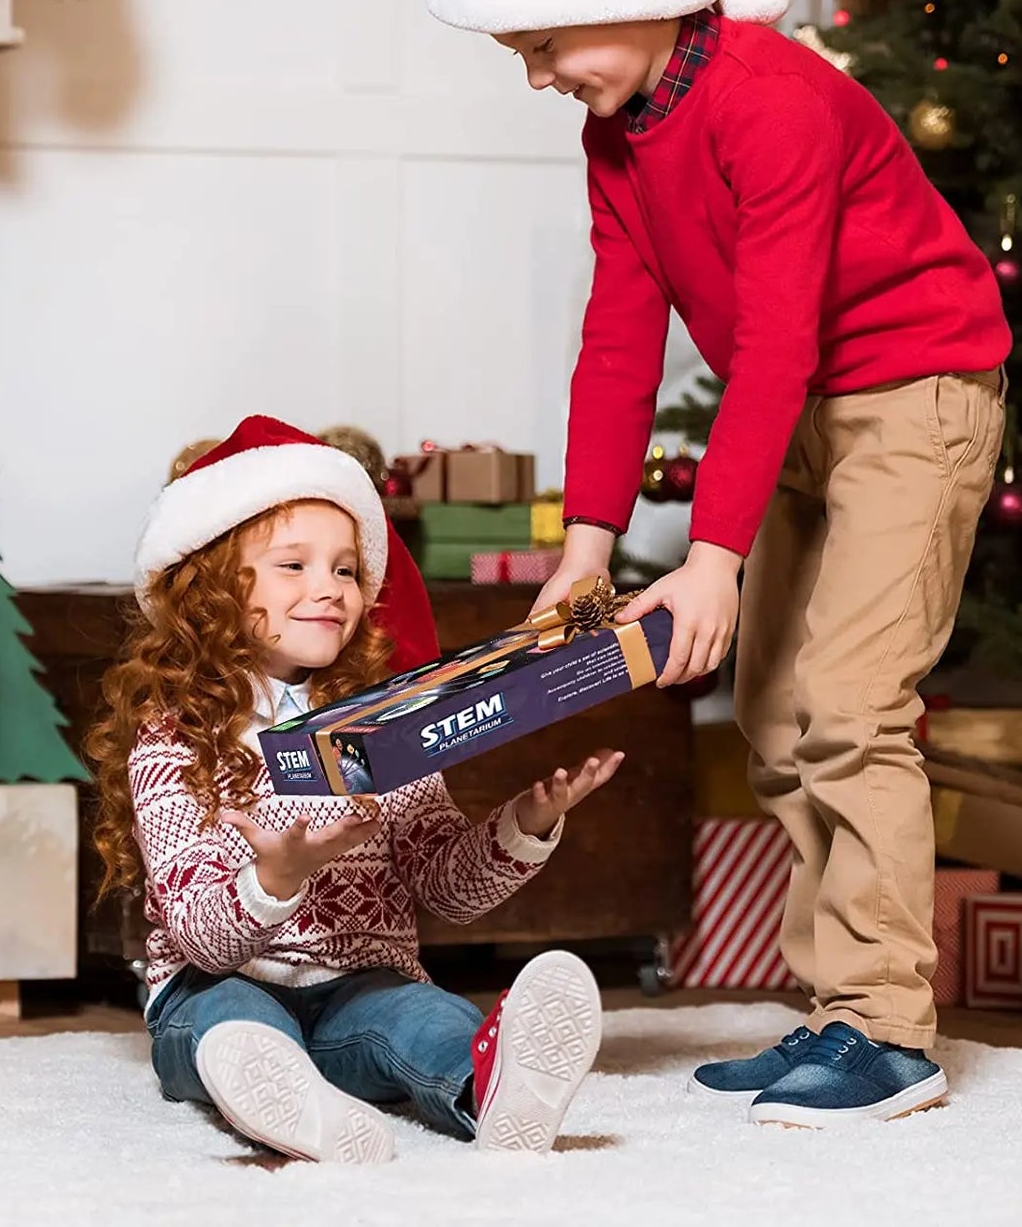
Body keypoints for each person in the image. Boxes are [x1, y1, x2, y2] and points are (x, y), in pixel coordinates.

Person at [428, 0, 1010, 1127]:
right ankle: (830, 1012)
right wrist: (587, 546)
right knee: (772, 720)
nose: (534, 78)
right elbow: (621, 335)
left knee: (852, 706)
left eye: (542, 45)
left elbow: (774, 341)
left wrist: (710, 559)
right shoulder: (617, 134)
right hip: (799, 409)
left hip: (912, 397)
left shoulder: (777, 102)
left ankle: (888, 1034)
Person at [86, 415, 621, 1162]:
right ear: (211, 590)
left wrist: (524, 824)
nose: (329, 589)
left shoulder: (385, 724)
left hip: (357, 984)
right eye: (293, 566)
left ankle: (488, 1088)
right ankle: (292, 1103)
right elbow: (200, 936)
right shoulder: (176, 734)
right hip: (215, 983)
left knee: (420, 1015)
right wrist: (277, 875)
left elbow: (445, 887)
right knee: (233, 1020)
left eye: (344, 569)